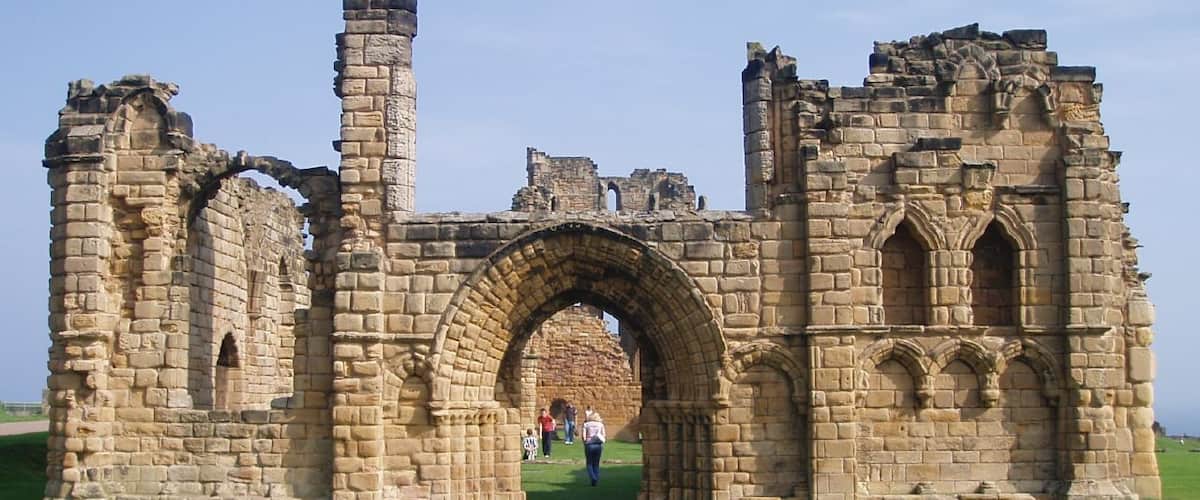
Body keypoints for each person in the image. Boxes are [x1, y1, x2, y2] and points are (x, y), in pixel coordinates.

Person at [581, 411, 607, 486]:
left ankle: (593, 477)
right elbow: (604, 435)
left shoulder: (586, 424)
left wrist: (585, 443)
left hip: (589, 444)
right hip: (598, 444)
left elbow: (583, 436)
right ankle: (596, 477)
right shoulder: (600, 425)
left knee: (589, 463)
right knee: (596, 463)